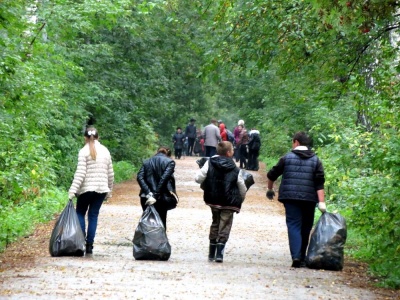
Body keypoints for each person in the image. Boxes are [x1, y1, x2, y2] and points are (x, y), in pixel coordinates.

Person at [266, 131, 326, 268]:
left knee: (293, 225)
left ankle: (296, 256)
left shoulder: (286, 158)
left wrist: (270, 189)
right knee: (306, 226)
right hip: (309, 198)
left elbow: (271, 175)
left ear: (296, 142)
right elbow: (319, 182)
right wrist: (322, 202)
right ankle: (303, 256)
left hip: (290, 197)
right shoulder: (316, 160)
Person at [195, 141, 247, 263]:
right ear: (229, 153)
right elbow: (242, 187)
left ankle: (211, 253)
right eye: (233, 150)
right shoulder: (235, 168)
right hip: (229, 202)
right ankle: (220, 254)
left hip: (213, 200)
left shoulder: (209, 163)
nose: (234, 151)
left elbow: (198, 179)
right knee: (225, 225)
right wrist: (240, 199)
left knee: (215, 222)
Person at [68, 127, 114, 255]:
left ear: (85, 138)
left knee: (80, 213)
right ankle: (89, 245)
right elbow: (111, 174)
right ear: (98, 137)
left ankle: (81, 242)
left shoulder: (83, 151)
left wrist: (73, 190)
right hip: (101, 189)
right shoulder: (105, 151)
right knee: (93, 215)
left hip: (86, 189)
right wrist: (109, 190)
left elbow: (81, 173)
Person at [137, 146, 177, 230]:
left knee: (147, 220)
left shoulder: (147, 161)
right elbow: (164, 178)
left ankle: (147, 241)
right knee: (161, 220)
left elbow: (140, 177)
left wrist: (148, 193)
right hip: (162, 196)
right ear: (168, 154)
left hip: (146, 197)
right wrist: (155, 195)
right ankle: (160, 242)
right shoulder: (170, 162)